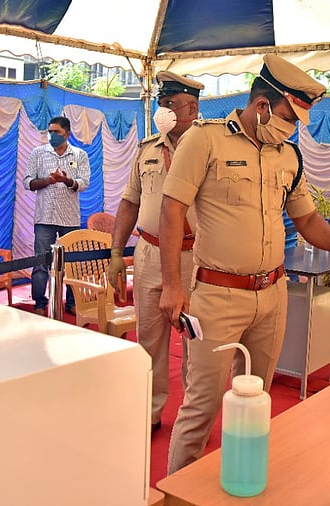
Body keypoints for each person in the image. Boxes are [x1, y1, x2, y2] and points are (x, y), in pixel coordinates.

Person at [158, 54, 330, 474]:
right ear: (261, 106)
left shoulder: (287, 156)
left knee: (255, 400)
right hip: (217, 297)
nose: (291, 128)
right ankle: (176, 497)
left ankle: (241, 481)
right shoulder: (205, 140)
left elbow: (307, 219)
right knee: (201, 407)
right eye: (288, 116)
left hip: (272, 297)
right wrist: (171, 285)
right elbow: (171, 210)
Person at [106, 71, 205, 434]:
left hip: (194, 257)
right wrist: (117, 252)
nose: (161, 110)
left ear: (191, 108)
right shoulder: (147, 148)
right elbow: (129, 201)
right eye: (161, 103)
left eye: (169, 104)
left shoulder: (207, 146)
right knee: (149, 339)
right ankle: (149, 413)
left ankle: (195, 419)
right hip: (149, 251)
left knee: (196, 341)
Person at [23, 116, 90, 316]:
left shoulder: (79, 155)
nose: (52, 135)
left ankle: (71, 303)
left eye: (57, 132)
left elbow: (84, 183)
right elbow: (28, 182)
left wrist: (66, 180)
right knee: (41, 262)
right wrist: (48, 181)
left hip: (70, 218)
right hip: (45, 217)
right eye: (50, 132)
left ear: (67, 134)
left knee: (72, 263)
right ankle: (39, 303)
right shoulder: (38, 153)